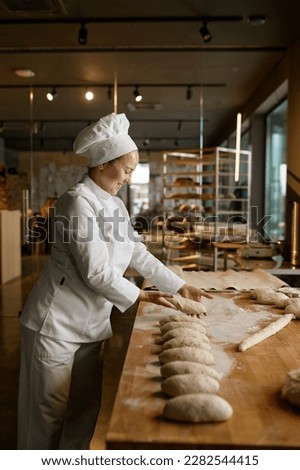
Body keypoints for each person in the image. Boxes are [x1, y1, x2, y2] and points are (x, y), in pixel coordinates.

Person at [17, 112, 211, 450]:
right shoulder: (76, 202)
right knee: (46, 416)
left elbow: (137, 254)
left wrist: (178, 285)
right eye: (127, 169)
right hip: (56, 324)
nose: (129, 178)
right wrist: (141, 296)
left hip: (91, 325)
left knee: (84, 411)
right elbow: (95, 271)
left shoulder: (116, 205)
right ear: (104, 163)